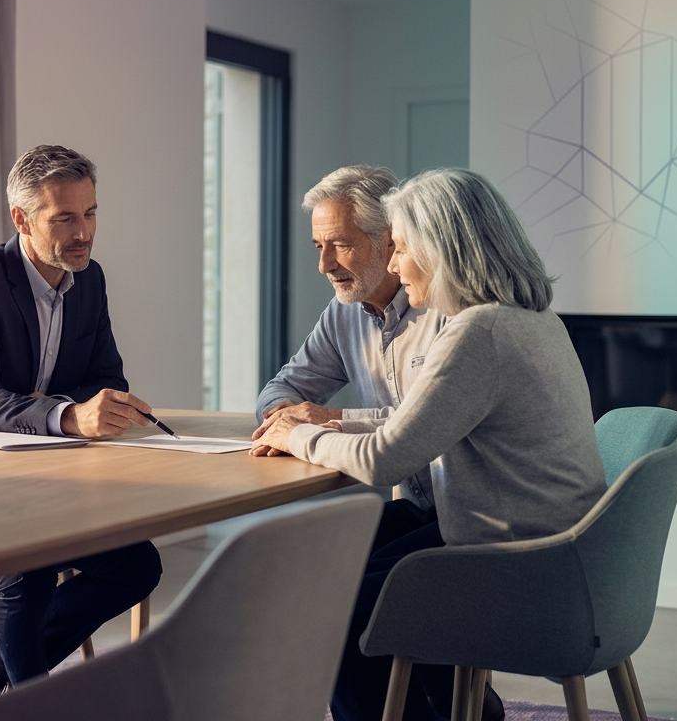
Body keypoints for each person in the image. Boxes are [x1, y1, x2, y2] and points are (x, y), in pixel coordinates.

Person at [254, 168, 606, 721]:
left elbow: (383, 458)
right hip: (541, 545)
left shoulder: (475, 333)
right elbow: (412, 427)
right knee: (336, 573)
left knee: (340, 608)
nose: (394, 263)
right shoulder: (528, 318)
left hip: (512, 559)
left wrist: (300, 434)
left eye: (402, 249)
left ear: (441, 250)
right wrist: (317, 425)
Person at [0, 144, 163, 702]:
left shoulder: (90, 280)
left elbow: (109, 380)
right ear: (21, 219)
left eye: (91, 213)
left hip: (50, 475)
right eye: (66, 218)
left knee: (137, 566)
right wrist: (67, 413)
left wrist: (43, 406)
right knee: (29, 559)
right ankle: (30, 700)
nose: (84, 233)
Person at [252, 165, 445, 512]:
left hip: (460, 518)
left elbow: (425, 426)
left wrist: (325, 420)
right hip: (415, 511)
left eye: (340, 245)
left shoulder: (446, 308)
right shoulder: (344, 313)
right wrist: (282, 415)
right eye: (319, 246)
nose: (325, 265)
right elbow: (285, 385)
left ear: (390, 240)